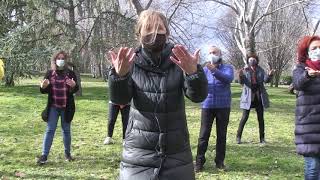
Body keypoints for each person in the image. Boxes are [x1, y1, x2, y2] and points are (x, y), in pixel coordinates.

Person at [108, 10, 208, 180]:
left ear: (167, 32)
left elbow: (198, 96)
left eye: (159, 28)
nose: (154, 33)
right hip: (138, 154)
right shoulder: (130, 61)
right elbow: (120, 100)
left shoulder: (180, 59)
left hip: (177, 154)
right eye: (148, 28)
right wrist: (120, 77)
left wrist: (193, 74)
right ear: (139, 33)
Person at [195, 46, 234, 172]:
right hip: (207, 105)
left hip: (223, 106)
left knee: (221, 135)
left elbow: (228, 79)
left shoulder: (228, 68)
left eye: (214, 52)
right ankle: (199, 162)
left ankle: (219, 162)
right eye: (210, 53)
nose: (212, 54)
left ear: (220, 54)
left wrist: (214, 71)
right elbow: (198, 82)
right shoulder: (204, 69)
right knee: (203, 135)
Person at [37, 51, 79, 165]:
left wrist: (74, 86)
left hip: (67, 107)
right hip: (53, 107)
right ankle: (44, 155)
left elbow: (76, 88)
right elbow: (44, 89)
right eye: (58, 58)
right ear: (55, 60)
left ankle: (67, 154)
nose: (61, 60)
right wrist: (43, 86)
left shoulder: (70, 73)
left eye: (63, 58)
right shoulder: (50, 73)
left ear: (65, 60)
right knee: (50, 130)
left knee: (66, 131)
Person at [293, 35, 320, 180]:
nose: (318, 51)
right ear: (307, 51)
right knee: (313, 169)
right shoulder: (301, 68)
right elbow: (297, 83)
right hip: (309, 127)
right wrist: (307, 75)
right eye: (314, 48)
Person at [236, 54, 274, 144]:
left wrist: (269, 75)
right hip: (248, 97)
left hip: (258, 96)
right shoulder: (245, 70)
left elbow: (266, 80)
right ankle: (238, 137)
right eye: (250, 60)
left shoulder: (260, 70)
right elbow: (241, 82)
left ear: (257, 61)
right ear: (248, 61)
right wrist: (240, 75)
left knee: (261, 118)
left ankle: (262, 138)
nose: (252, 61)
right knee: (244, 117)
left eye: (254, 59)